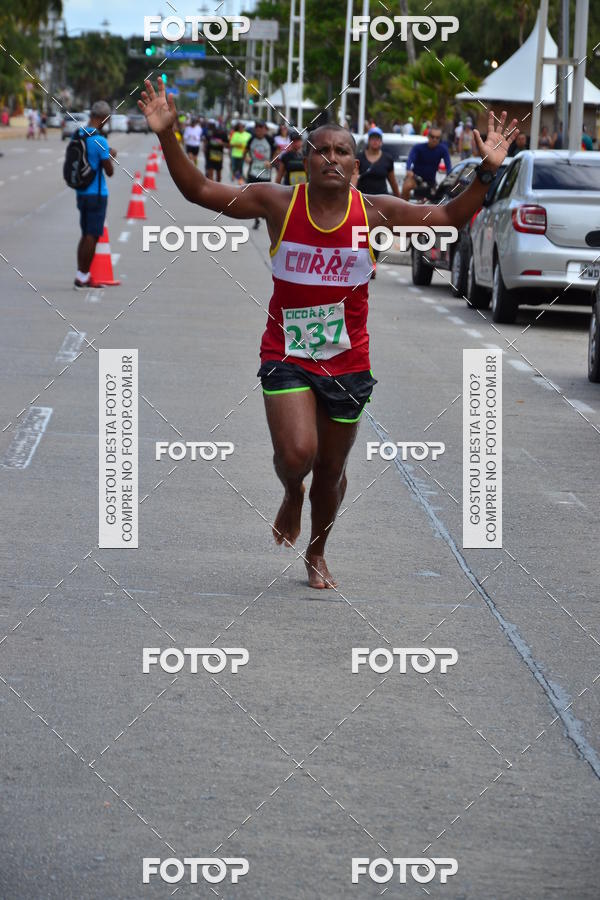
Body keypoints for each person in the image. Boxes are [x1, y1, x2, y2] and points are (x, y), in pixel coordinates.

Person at [138, 78, 517, 588]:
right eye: (321, 150)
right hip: (287, 352)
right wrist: (168, 136)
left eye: (343, 151)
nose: (332, 157)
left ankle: (316, 552)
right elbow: (201, 190)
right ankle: (291, 490)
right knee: (298, 454)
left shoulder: (376, 214)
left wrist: (487, 171)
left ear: (357, 167)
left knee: (333, 473)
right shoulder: (279, 204)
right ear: (306, 161)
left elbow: (448, 216)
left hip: (347, 363)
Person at [73, 100, 115, 290]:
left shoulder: (79, 134)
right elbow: (109, 171)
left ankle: (82, 273)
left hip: (81, 191)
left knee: (85, 234)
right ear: (103, 118)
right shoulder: (100, 140)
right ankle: (82, 276)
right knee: (93, 235)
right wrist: (110, 154)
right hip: (96, 194)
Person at [354, 126, 401, 277]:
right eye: (373, 138)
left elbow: (392, 181)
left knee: (376, 234)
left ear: (381, 142)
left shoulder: (387, 159)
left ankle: (372, 265)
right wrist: (351, 195)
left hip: (381, 202)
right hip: (363, 200)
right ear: (369, 140)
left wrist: (398, 199)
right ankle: (361, 263)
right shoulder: (359, 157)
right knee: (360, 233)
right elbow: (354, 178)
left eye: (378, 139)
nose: (375, 141)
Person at [401, 125, 451, 201]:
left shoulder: (442, 149)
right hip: (416, 178)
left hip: (430, 181)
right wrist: (408, 169)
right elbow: (410, 158)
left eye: (437, 138)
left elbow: (448, 165)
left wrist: (449, 175)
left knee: (434, 199)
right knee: (406, 186)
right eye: (432, 137)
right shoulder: (418, 147)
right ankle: (404, 208)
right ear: (428, 136)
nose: (434, 139)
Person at [245, 119, 275, 229]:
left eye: (261, 128)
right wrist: (246, 157)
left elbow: (277, 153)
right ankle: (256, 218)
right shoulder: (251, 139)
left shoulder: (270, 140)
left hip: (265, 173)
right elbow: (246, 151)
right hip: (253, 171)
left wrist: (272, 161)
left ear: (265, 130)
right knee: (253, 195)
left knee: (265, 196)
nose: (259, 130)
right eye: (257, 128)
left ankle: (264, 213)